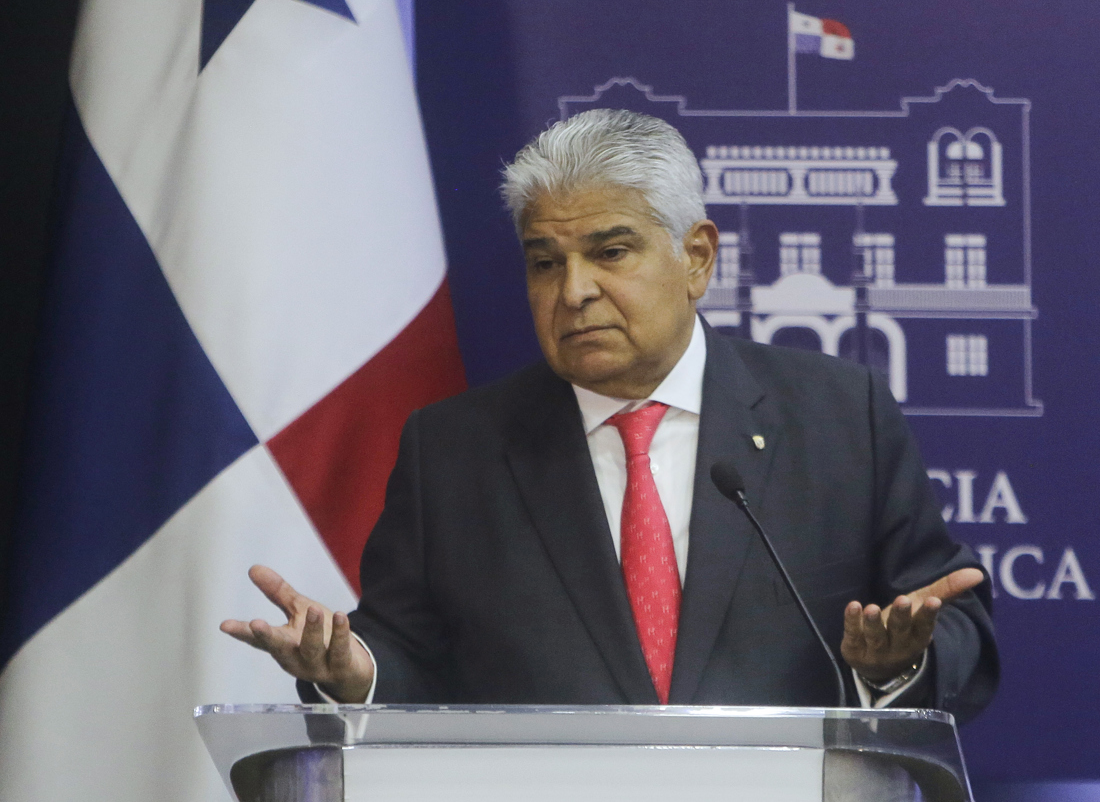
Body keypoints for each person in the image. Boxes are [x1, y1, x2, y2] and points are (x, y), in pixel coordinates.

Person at [222, 109, 997, 719]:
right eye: (545, 261)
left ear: (696, 257)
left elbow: (956, 624)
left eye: (611, 251)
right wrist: (355, 671)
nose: (574, 291)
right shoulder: (453, 449)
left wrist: (897, 663)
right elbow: (411, 654)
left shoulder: (839, 418)